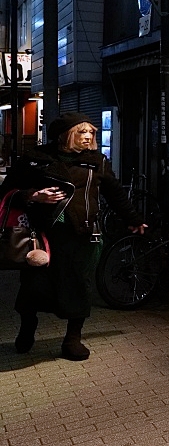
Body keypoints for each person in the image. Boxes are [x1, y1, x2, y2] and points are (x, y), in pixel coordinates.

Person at [3, 113, 147, 360]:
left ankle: (72, 339)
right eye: (82, 132)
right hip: (41, 236)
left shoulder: (96, 161)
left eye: (91, 132)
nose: (89, 136)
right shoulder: (35, 159)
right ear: (64, 135)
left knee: (79, 286)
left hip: (81, 233)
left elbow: (114, 193)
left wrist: (132, 219)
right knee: (33, 286)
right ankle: (27, 328)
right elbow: (6, 192)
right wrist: (33, 195)